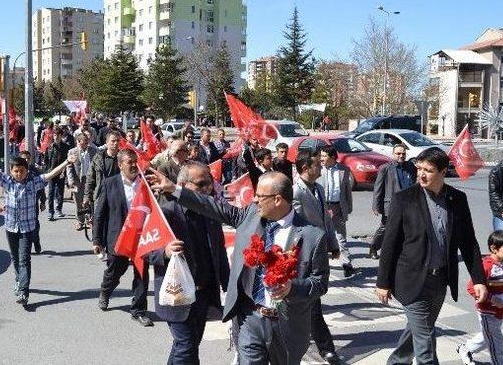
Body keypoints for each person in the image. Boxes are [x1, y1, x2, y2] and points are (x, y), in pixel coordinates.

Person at [149, 169, 330, 365]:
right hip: (249, 318)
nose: (254, 200)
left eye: (260, 196)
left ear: (278, 200)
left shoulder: (313, 236)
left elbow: (320, 283)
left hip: (287, 324)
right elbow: (213, 206)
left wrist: (292, 287)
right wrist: (175, 189)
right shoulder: (250, 215)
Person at [376, 147, 487, 365]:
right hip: (411, 281)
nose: (421, 174)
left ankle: (396, 362)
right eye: (419, 169)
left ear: (443, 172)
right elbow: (390, 244)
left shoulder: (457, 199)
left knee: (417, 331)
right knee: (426, 345)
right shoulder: (404, 199)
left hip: (439, 282)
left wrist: (479, 279)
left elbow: (468, 242)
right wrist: (383, 282)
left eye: (428, 170)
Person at [0, 145, 74, 306]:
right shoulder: (7, 182)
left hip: (27, 228)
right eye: (16, 171)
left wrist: (66, 162)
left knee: (24, 259)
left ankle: (24, 291)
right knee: (15, 258)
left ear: (27, 171)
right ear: (11, 171)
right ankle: (19, 280)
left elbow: (51, 174)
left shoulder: (33, 183)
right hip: (10, 226)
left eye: (22, 171)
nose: (18, 174)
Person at [149, 162, 230, 364]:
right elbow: (144, 250)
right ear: (183, 185)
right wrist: (164, 252)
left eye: (209, 184)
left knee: (187, 344)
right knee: (187, 349)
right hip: (177, 294)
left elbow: (219, 252)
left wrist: (230, 288)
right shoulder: (166, 213)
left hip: (202, 294)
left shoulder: (211, 214)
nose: (207, 189)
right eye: (201, 184)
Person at [92, 149, 153, 327]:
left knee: (142, 274)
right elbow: (99, 214)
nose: (134, 165)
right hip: (118, 237)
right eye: (129, 162)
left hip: (142, 237)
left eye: (135, 161)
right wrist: (97, 240)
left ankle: (139, 311)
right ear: (120, 165)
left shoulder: (145, 184)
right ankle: (105, 290)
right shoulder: (109, 184)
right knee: (115, 271)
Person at [292, 150, 341, 365]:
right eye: (317, 165)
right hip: (303, 255)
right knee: (312, 301)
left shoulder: (319, 189)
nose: (321, 167)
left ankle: (302, 337)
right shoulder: (295, 192)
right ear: (305, 168)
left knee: (311, 299)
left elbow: (325, 221)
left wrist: (332, 243)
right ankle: (326, 348)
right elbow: (295, 226)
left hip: (320, 251)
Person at [457, 230, 503, 365]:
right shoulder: (486, 266)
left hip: (499, 312)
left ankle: (465, 348)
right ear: (494, 249)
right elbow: (472, 287)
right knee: (496, 344)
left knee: (486, 336)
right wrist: (492, 299)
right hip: (488, 312)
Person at [370, 144, 417, 259]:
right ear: (393, 154)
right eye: (398, 153)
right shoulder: (385, 168)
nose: (401, 156)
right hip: (391, 206)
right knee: (385, 228)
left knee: (406, 229)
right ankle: (374, 247)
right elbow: (378, 188)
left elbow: (415, 182)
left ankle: (401, 251)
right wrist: (376, 206)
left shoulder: (410, 167)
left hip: (408, 205)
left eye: (403, 154)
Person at [320, 145, 356, 278]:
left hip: (338, 207)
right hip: (322, 207)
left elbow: (347, 191)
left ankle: (346, 264)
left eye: (324, 156)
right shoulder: (319, 169)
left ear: (332, 157)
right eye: (321, 156)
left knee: (341, 237)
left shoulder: (344, 170)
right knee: (321, 237)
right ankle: (321, 266)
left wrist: (348, 208)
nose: (321, 158)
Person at [67, 132, 99, 231]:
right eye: (84, 141)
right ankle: (80, 221)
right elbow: (69, 167)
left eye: (87, 141)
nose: (86, 143)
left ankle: (90, 219)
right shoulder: (72, 152)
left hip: (90, 180)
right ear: (78, 142)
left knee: (90, 200)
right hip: (78, 180)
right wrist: (71, 180)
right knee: (79, 202)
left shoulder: (93, 151)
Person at [84, 131, 121, 209]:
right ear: (107, 142)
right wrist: (87, 196)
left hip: (118, 196)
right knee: (98, 220)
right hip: (100, 195)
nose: (116, 143)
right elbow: (90, 178)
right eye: (113, 141)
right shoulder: (98, 158)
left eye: (118, 141)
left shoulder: (123, 159)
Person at [19, 150, 47, 254]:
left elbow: (41, 187)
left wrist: (43, 201)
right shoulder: (17, 171)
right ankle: (26, 245)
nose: (26, 160)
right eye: (24, 158)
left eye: (27, 158)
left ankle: (36, 241)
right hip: (20, 204)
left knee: (34, 224)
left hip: (33, 202)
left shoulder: (35, 171)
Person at [44, 127, 70, 221]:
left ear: (61, 135)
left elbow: (68, 160)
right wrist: (47, 171)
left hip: (61, 172)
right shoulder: (50, 147)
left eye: (58, 135)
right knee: (50, 192)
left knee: (60, 191)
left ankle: (59, 209)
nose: (56, 137)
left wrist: (65, 171)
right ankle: (51, 212)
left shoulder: (66, 147)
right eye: (55, 135)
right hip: (51, 172)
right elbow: (46, 161)